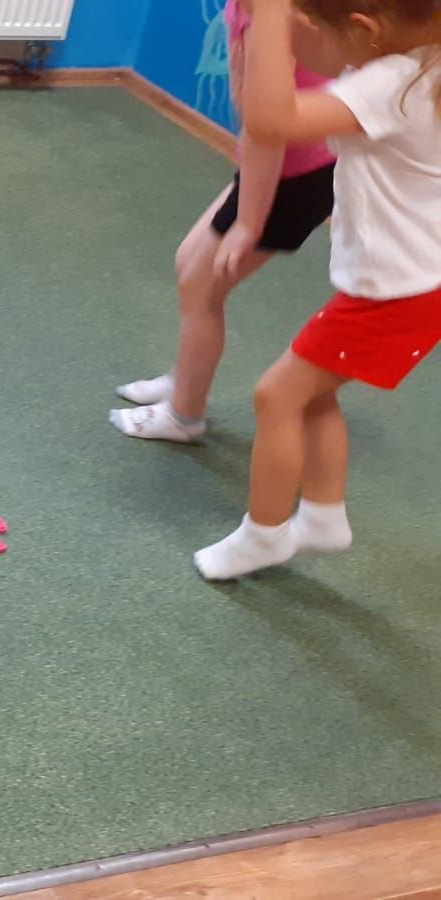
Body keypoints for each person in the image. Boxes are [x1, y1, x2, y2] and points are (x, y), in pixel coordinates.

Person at [196, 0, 441, 579]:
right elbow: (327, 57)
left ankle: (263, 535)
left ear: (367, 29)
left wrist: (270, 15)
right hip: (406, 282)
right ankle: (324, 516)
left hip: (398, 293)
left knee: (276, 396)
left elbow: (271, 122)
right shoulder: (418, 57)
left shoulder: (391, 82)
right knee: (312, 393)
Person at [112, 0, 338, 444]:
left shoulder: (269, 20)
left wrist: (249, 223)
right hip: (276, 167)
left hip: (291, 177)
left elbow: (265, 129)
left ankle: (184, 416)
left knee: (202, 285)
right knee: (189, 264)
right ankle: (185, 380)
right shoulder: (252, 8)